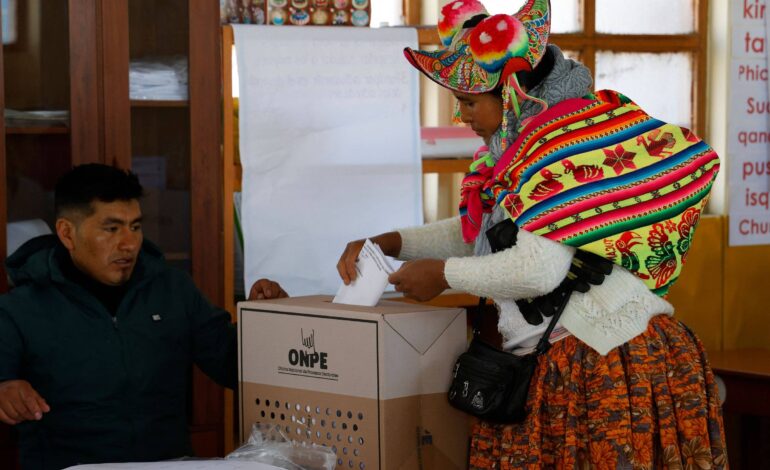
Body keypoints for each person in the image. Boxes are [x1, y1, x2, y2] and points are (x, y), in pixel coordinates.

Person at [337, 0, 728, 468]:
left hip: (600, 360)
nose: (461, 116)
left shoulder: (558, 150)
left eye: (468, 102)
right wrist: (392, 243)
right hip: (572, 351)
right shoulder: (525, 148)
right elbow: (487, 234)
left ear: (514, 94)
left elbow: (539, 266)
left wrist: (443, 275)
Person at [0, 164, 286, 469]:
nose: (129, 243)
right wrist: (5, 389)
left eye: (135, 227)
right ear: (67, 233)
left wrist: (265, 323)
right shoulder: (20, 308)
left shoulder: (173, 290)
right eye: (111, 229)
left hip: (166, 463)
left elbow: (235, 366)